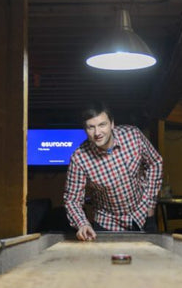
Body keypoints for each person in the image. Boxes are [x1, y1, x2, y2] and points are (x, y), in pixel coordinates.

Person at [64, 102, 163, 241]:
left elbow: (155, 162)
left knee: (150, 261)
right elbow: (72, 200)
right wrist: (83, 224)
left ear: (112, 124)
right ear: (85, 130)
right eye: (91, 127)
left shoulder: (133, 136)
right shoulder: (79, 158)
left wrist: (150, 203)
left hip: (143, 214)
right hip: (107, 222)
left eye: (102, 125)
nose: (97, 133)